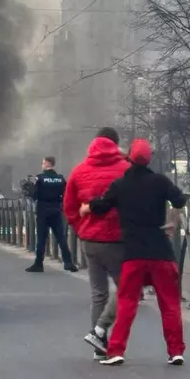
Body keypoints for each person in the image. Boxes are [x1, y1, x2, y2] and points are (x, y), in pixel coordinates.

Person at [80, 139, 186, 366]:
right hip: (161, 251)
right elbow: (180, 199)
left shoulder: (121, 185)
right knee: (170, 303)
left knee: (127, 301)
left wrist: (87, 206)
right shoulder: (160, 181)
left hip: (133, 253)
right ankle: (176, 351)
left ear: (129, 157)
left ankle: (116, 350)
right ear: (150, 159)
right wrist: (172, 221)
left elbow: (102, 206)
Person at [62, 127, 131, 360]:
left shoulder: (80, 170)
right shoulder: (126, 169)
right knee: (127, 289)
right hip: (117, 240)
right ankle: (101, 332)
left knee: (98, 293)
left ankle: (98, 348)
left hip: (90, 240)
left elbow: (69, 206)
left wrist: (80, 228)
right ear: (115, 144)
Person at [26, 156, 78, 273]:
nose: (42, 165)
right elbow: (66, 193)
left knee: (41, 239)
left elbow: (34, 195)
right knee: (61, 237)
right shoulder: (60, 179)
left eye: (43, 163)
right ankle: (68, 263)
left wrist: (29, 190)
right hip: (57, 210)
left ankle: (38, 264)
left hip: (43, 210)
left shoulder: (40, 178)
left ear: (48, 164)